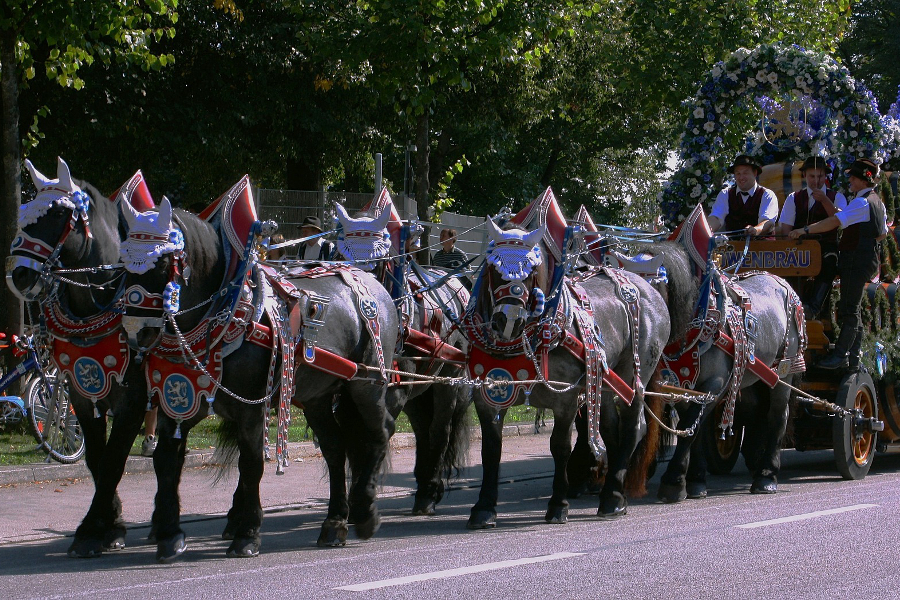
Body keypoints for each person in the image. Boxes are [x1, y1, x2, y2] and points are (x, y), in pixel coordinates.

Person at [789, 158, 888, 370]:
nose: (850, 180)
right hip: (864, 259)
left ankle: (841, 355)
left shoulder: (862, 202)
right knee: (854, 309)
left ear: (863, 180)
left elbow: (835, 221)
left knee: (849, 310)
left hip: (855, 260)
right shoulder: (876, 202)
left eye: (853, 177)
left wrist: (805, 230)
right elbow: (882, 234)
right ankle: (853, 358)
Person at [777, 156, 847, 318]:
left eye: (820, 176)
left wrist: (824, 201)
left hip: (826, 246)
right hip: (798, 246)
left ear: (825, 177)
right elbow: (785, 229)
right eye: (812, 176)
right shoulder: (793, 198)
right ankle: (788, 307)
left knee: (830, 262)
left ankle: (813, 307)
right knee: (785, 264)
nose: (816, 181)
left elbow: (841, 221)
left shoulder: (836, 197)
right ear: (804, 176)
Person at [708, 154, 779, 237]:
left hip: (762, 247)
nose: (741, 177)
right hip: (733, 246)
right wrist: (707, 230)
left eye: (745, 173)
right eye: (738, 173)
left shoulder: (767, 194)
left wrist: (756, 230)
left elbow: (768, 222)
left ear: (755, 173)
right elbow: (716, 217)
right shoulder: (725, 194)